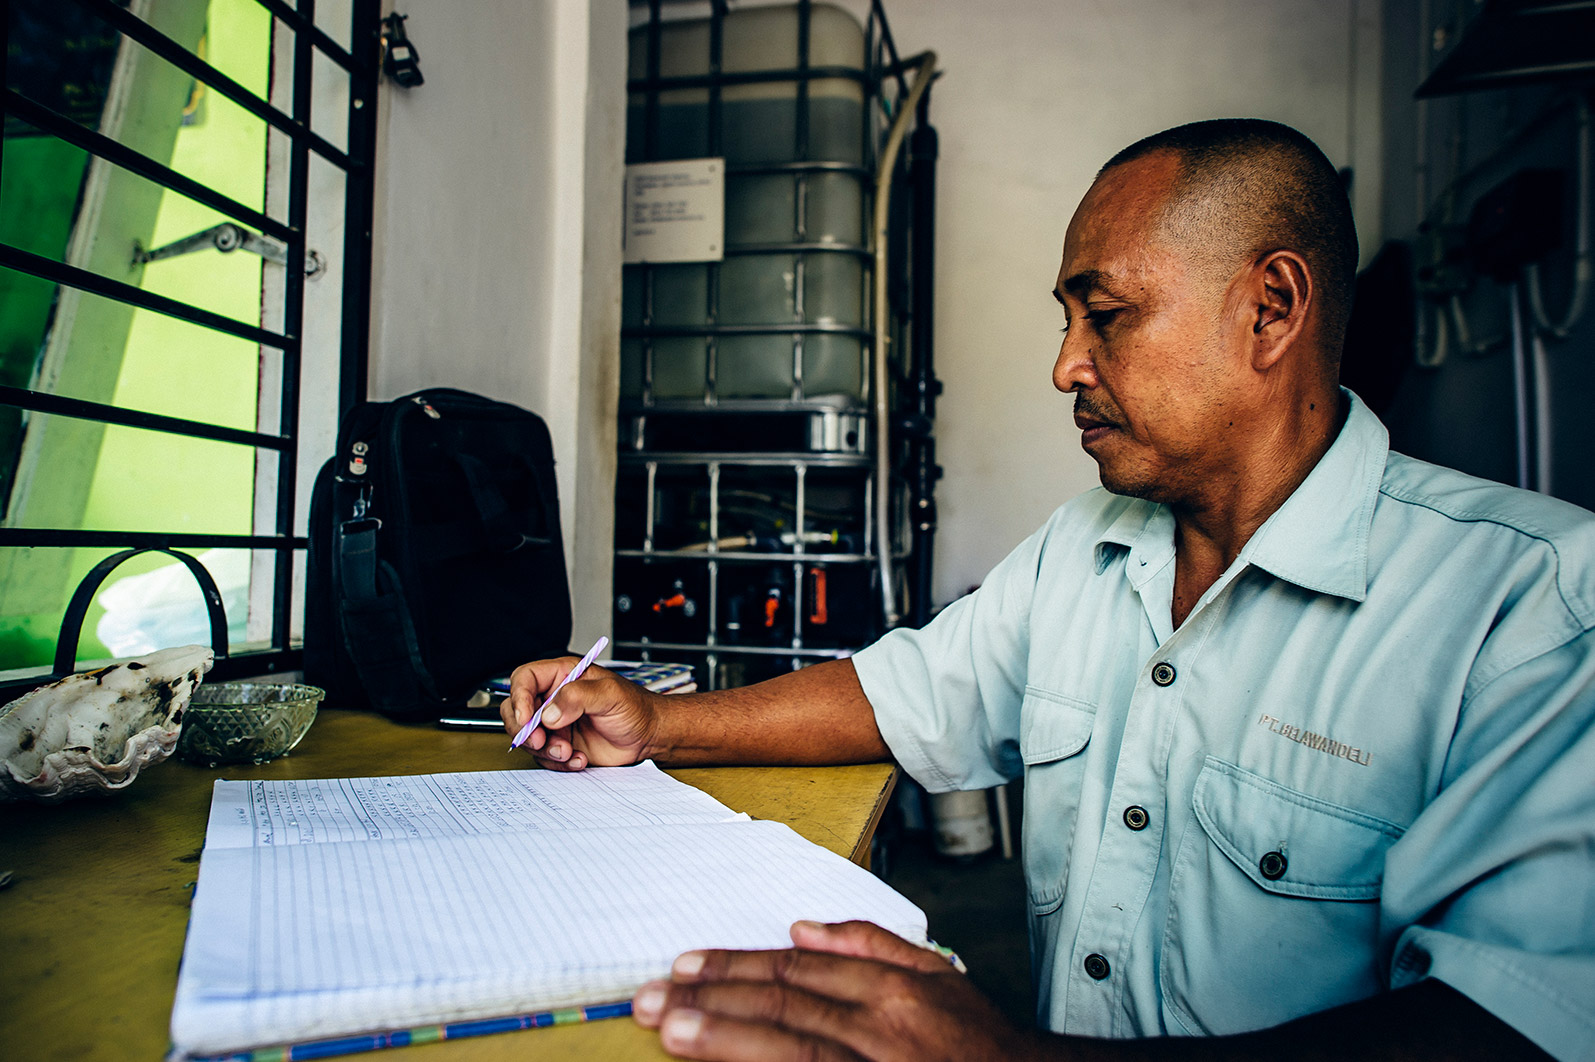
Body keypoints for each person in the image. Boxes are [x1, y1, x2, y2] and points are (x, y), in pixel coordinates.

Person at [502, 119, 1594, 1061]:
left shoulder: (1527, 607)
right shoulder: (1085, 547)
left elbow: (1511, 1028)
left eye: (1104, 314)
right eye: (1064, 320)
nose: (1064, 365)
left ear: (1269, 309)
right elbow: (906, 694)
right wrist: (656, 724)